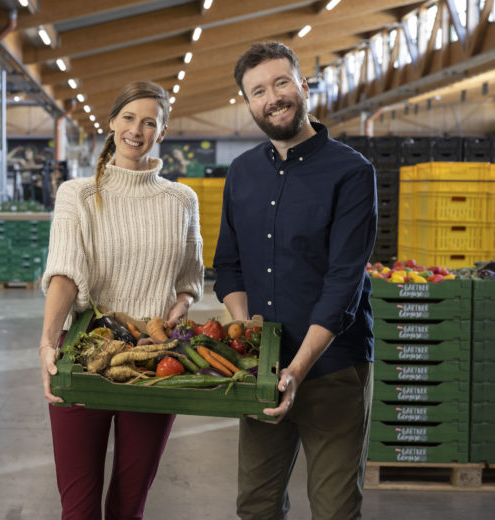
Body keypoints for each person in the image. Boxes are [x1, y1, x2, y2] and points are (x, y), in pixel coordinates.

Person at [213, 42, 377, 520]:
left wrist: (296, 370)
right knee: (256, 505)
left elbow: (343, 284)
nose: (273, 98)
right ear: (249, 105)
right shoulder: (242, 173)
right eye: (258, 91)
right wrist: (249, 339)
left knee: (334, 508)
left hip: (332, 369)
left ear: (303, 87)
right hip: (261, 370)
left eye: (281, 83)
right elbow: (229, 265)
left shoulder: (351, 171)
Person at [39, 81, 205, 520]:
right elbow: (65, 274)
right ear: (112, 122)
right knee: (78, 508)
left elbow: (190, 276)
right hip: (84, 352)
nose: (137, 129)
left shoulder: (181, 200)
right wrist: (46, 344)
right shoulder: (78, 194)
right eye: (129, 118)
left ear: (162, 132)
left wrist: (181, 305)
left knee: (130, 504)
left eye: (150, 122)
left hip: (154, 362)